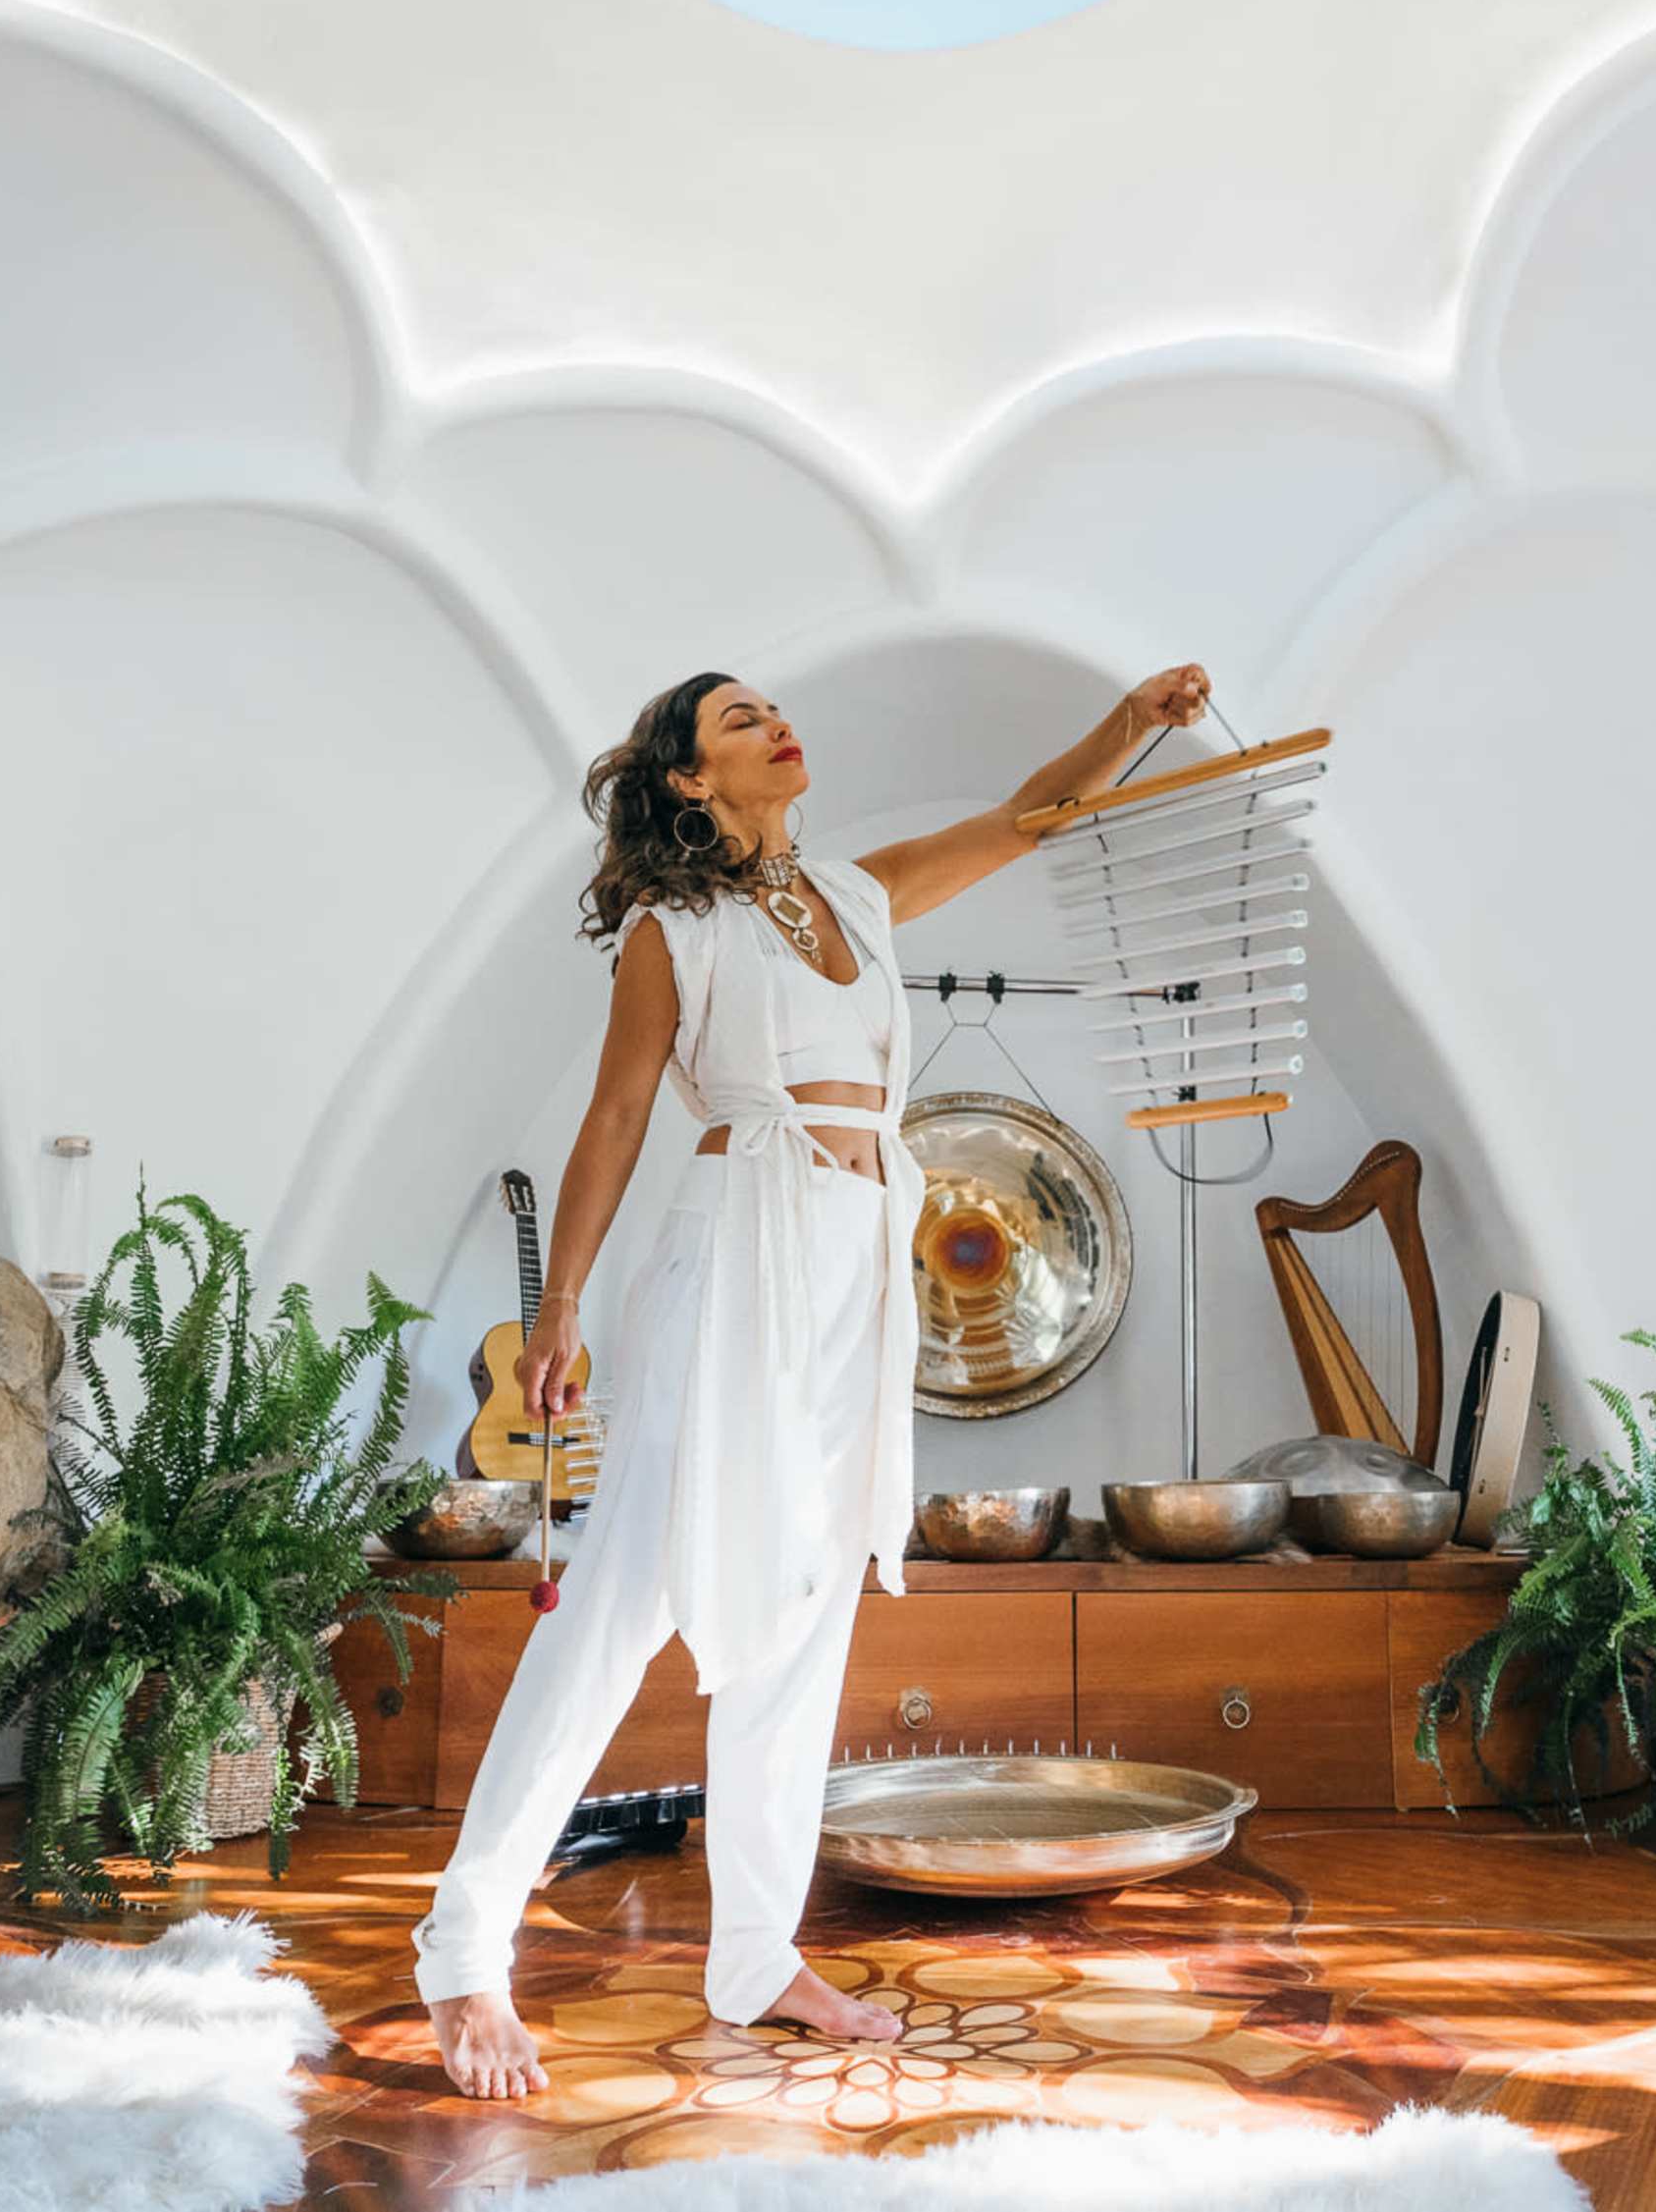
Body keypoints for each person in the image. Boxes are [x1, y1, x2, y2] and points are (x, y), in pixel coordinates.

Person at [416, 660, 1217, 2100]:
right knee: (621, 1605)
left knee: (807, 1602)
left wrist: (1133, 727)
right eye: (739, 719)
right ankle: (464, 1950)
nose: (778, 722)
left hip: (857, 1259)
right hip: (736, 1251)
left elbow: (1034, 817)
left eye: (773, 708)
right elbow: (611, 1119)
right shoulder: (675, 931)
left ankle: (757, 1953)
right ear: (688, 779)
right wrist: (563, 1302)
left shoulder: (854, 891)